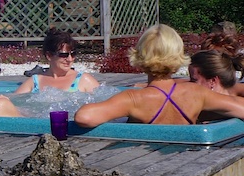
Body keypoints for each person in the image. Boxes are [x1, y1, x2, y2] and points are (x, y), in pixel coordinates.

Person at [74, 25, 244, 127]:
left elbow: (84, 117)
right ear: (178, 56)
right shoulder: (197, 93)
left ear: (140, 56)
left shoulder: (133, 99)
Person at [14, 28, 100, 94]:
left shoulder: (84, 80)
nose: (70, 59)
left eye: (73, 54)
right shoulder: (34, 82)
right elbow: (13, 104)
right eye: (63, 55)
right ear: (49, 56)